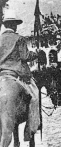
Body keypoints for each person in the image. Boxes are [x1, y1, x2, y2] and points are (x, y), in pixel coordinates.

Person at [0, 9, 40, 141]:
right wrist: (36, 53)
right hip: (15, 75)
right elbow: (25, 56)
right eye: (15, 24)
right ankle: (30, 131)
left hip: (1, 75)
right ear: (14, 25)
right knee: (35, 96)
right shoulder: (19, 39)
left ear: (5, 25)